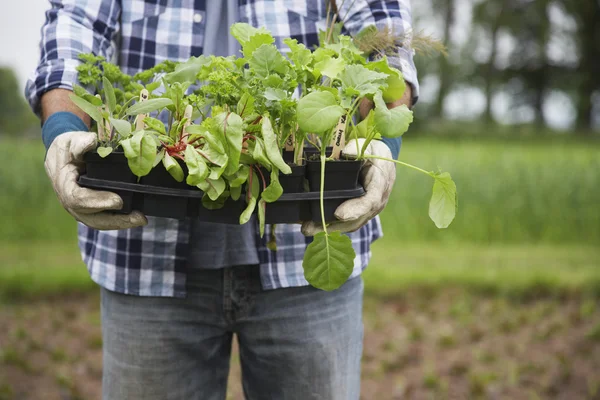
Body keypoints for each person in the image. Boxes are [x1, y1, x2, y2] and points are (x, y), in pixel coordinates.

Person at [27, 1, 419, 399]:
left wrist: (382, 144)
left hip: (305, 256)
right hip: (145, 260)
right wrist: (63, 128)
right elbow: (73, 30)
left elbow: (384, 31)